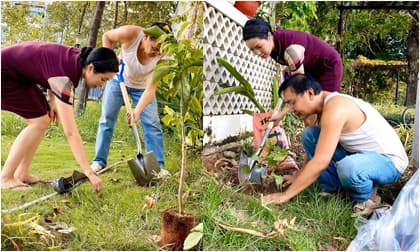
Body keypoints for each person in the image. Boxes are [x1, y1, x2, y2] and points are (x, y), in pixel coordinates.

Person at [262, 74, 408, 214]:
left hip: (389, 162)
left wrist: (285, 196)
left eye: (292, 103)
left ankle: (367, 199)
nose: (291, 109)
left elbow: (321, 161)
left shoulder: (335, 108)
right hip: (361, 156)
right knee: (310, 135)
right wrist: (298, 176)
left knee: (349, 167)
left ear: (310, 93)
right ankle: (338, 191)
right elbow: (318, 151)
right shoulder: (321, 109)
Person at [1, 41, 119, 192]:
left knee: (43, 119)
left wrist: (52, 100)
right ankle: (5, 178)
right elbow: (70, 132)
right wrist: (88, 171)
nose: (103, 85)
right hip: (5, 74)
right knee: (38, 122)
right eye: (103, 79)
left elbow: (49, 64)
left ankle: (21, 173)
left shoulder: (77, 59)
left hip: (18, 75)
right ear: (91, 68)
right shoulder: (65, 77)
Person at [90, 22, 171, 176]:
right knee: (106, 119)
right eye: (154, 48)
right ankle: (99, 161)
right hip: (118, 81)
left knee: (152, 123)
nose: (157, 53)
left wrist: (136, 112)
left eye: (160, 50)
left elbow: (151, 88)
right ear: (146, 36)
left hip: (143, 88)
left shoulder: (164, 54)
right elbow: (107, 36)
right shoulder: (131, 33)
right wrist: (111, 61)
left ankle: (158, 166)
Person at [242, 18, 343, 125]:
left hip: (328, 65)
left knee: (327, 108)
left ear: (269, 35)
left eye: (259, 46)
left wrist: (281, 114)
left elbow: (298, 92)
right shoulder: (272, 47)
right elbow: (292, 70)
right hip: (311, 68)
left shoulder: (291, 50)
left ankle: (330, 139)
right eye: (252, 50)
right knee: (309, 110)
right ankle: (314, 138)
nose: (257, 52)